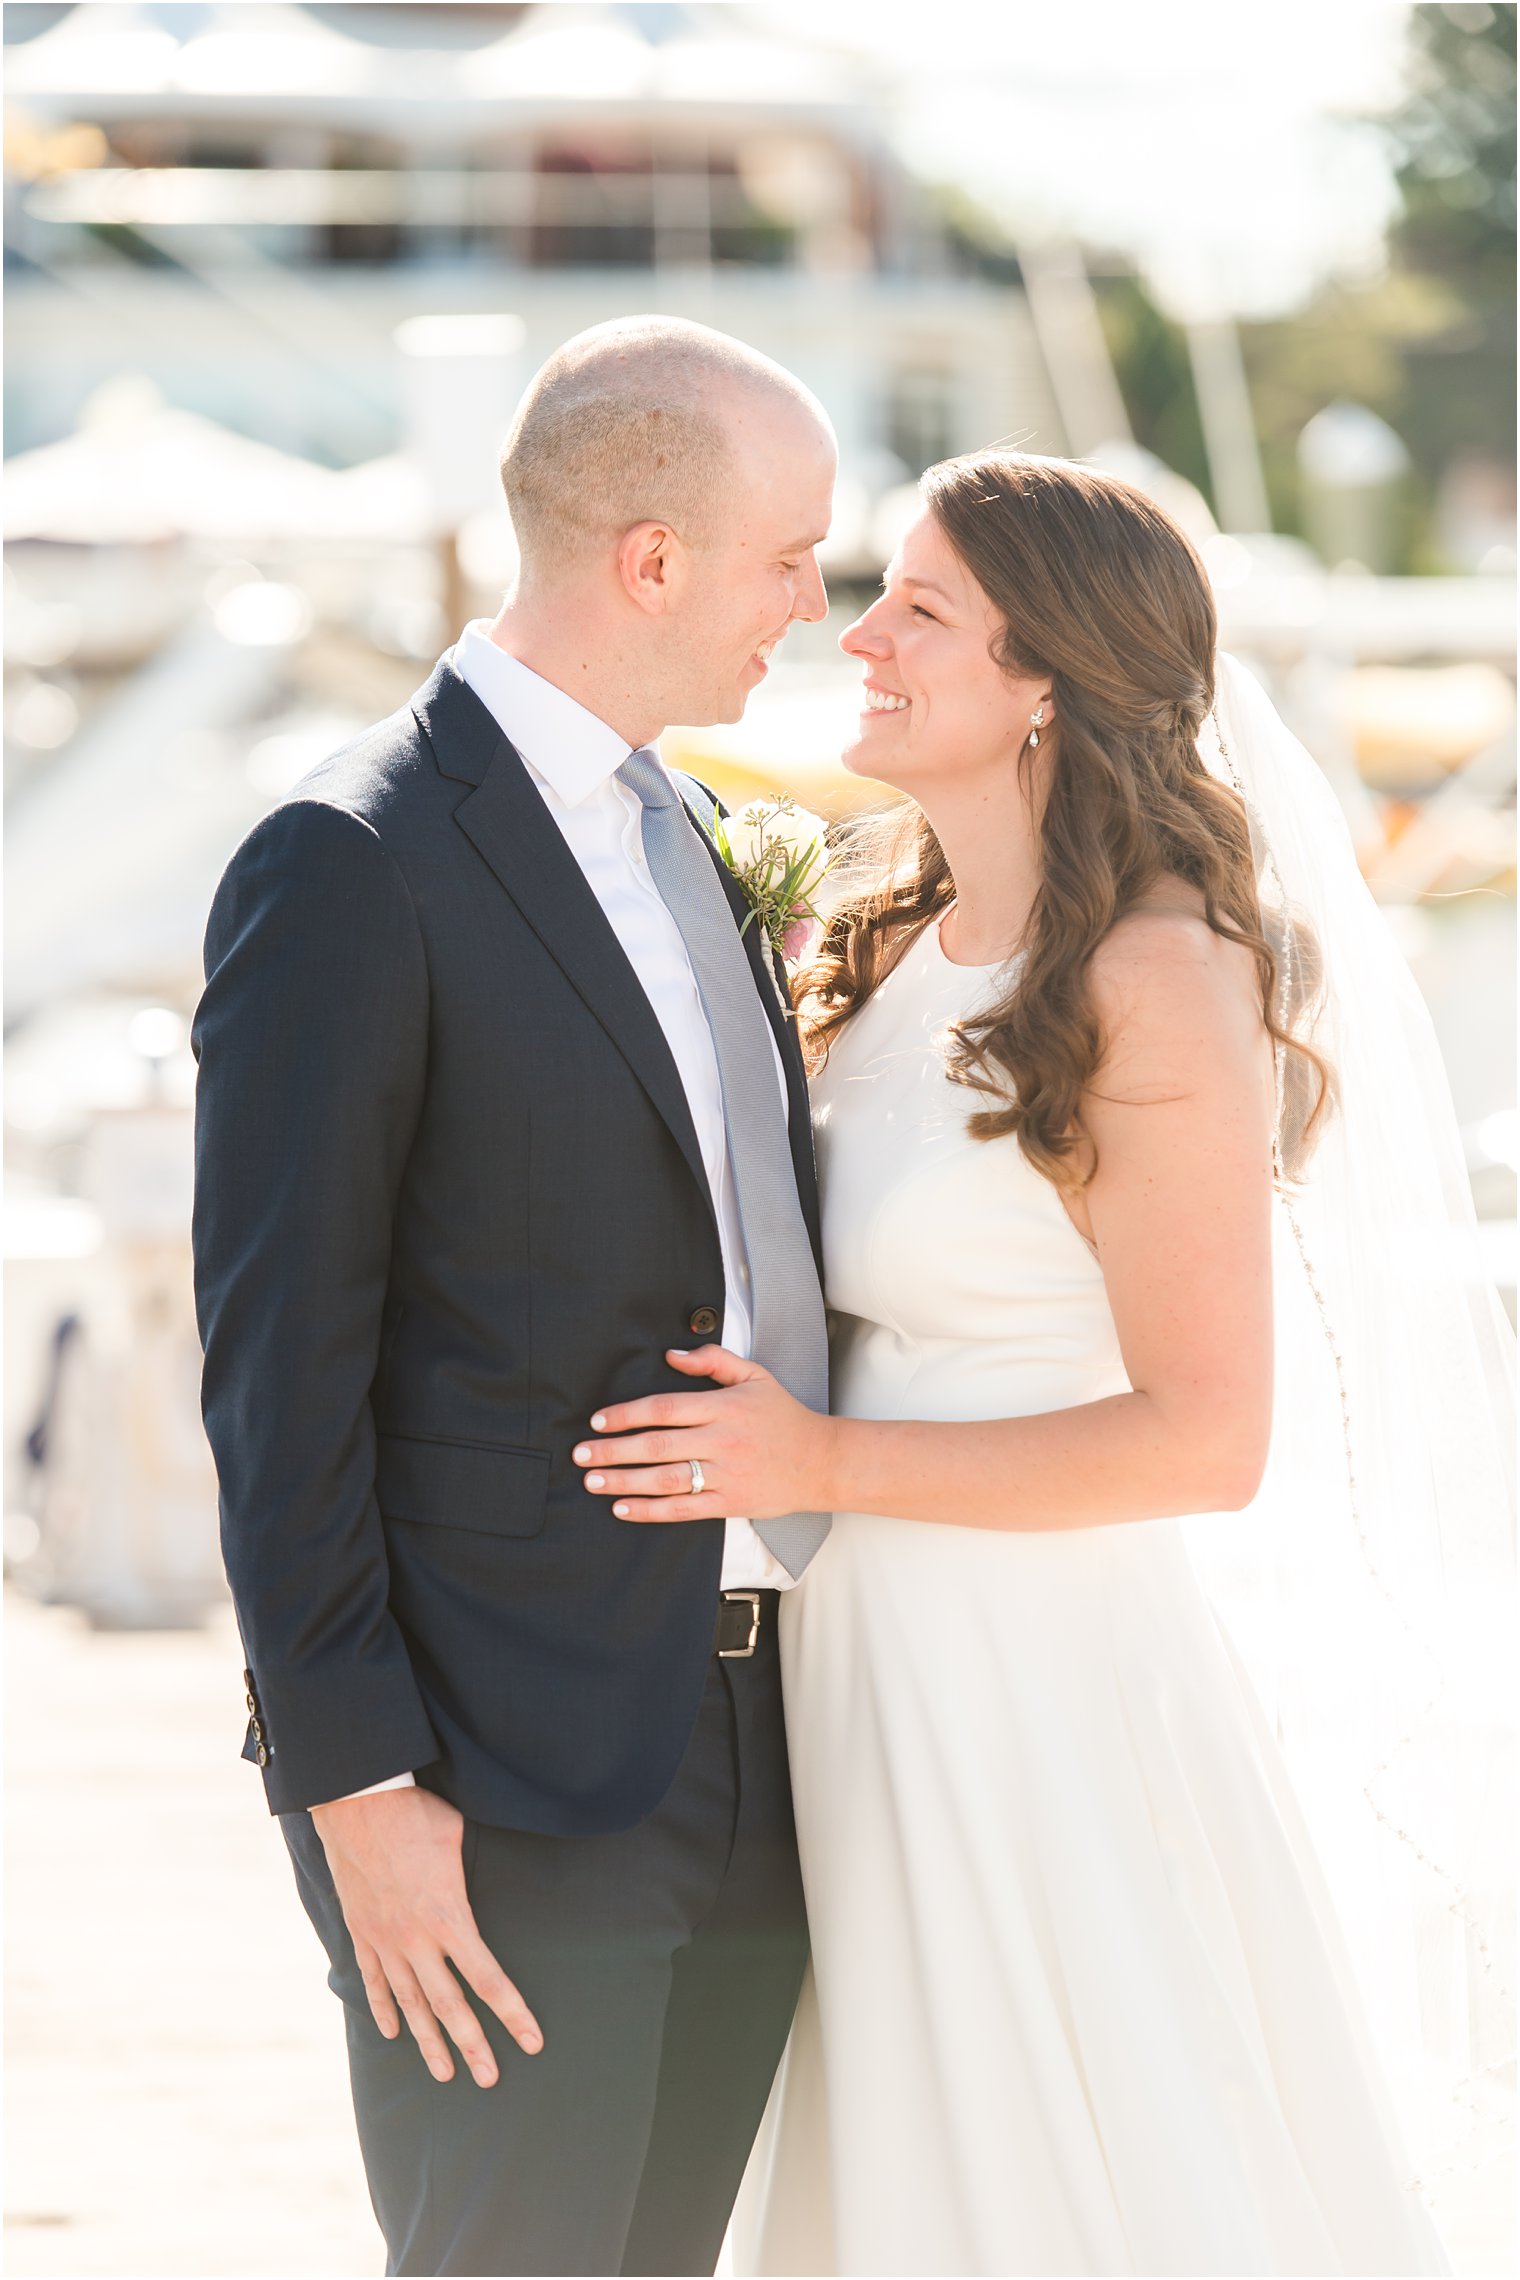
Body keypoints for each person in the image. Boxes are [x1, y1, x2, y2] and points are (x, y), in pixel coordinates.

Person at [576, 454, 1514, 2275]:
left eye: (919, 608)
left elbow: (1204, 1438)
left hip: (1039, 1690)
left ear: (1047, 683)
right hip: (858, 1676)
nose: (861, 633)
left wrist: (817, 1466)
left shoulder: (1154, 977)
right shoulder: (889, 950)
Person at [191, 316, 838, 2278]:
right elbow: (274, 1375)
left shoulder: (700, 837)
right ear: (651, 561)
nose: (812, 604)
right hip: (493, 1771)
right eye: (791, 555)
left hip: (769, 1747)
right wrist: (356, 1788)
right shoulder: (349, 861)